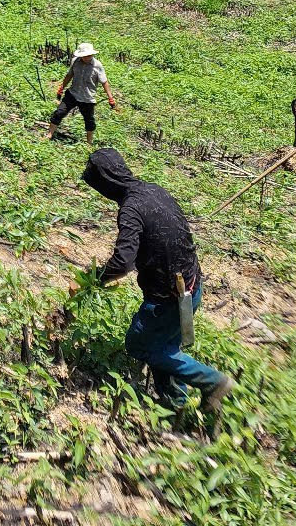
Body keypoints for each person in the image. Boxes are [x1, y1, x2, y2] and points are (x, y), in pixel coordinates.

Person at [71, 148, 236, 413]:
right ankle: (175, 404)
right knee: (166, 348)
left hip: (167, 301)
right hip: (191, 286)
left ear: (106, 182)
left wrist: (91, 280)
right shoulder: (154, 190)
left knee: (141, 344)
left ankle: (213, 381)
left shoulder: (131, 209)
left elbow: (122, 262)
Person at [49, 42, 115, 145]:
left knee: (89, 121)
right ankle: (49, 134)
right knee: (59, 112)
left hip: (87, 98)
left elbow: (104, 82)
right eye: (84, 56)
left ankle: (89, 143)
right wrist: (62, 87)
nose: (87, 57)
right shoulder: (75, 61)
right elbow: (69, 75)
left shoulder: (97, 66)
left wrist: (110, 97)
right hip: (73, 93)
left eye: (89, 55)